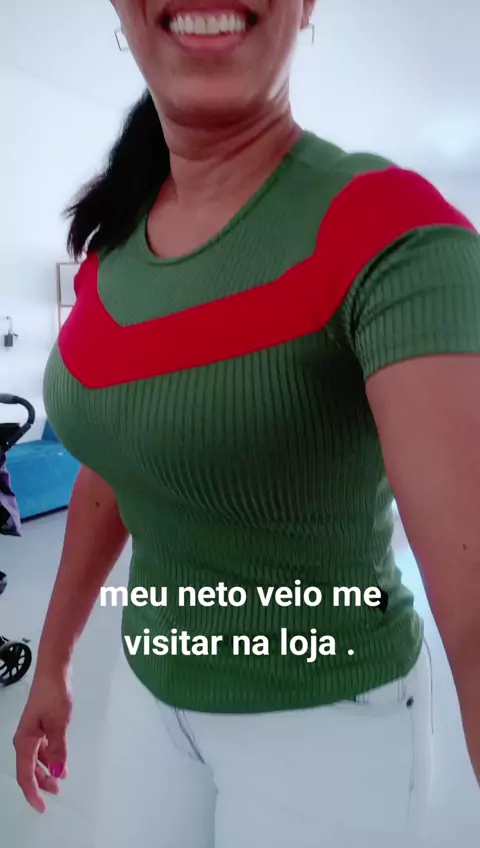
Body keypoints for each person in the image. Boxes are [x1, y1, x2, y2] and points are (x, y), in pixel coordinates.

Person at [13, 1, 480, 846]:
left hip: (331, 718)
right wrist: (54, 662)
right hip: (152, 690)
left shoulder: (394, 234)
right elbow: (116, 463)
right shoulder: (109, 257)